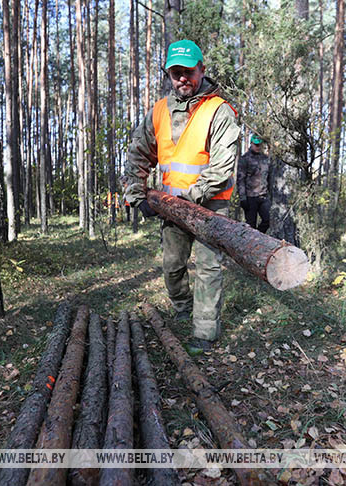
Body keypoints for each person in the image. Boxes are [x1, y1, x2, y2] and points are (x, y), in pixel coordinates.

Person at [122, 39, 240, 355]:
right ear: (170, 74)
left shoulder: (220, 110)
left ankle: (204, 332)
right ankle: (182, 307)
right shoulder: (159, 110)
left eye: (188, 71)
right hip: (171, 209)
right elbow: (138, 155)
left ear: (201, 70)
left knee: (207, 267)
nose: (182, 79)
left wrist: (191, 197)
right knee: (173, 265)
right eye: (176, 73)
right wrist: (137, 195)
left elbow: (222, 167)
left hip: (210, 207)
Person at [237, 134, 273, 234]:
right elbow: (240, 179)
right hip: (250, 197)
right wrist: (242, 198)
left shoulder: (265, 159)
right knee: (250, 226)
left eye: (259, 145)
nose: (257, 147)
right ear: (251, 144)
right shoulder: (245, 159)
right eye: (256, 145)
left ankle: (259, 237)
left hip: (263, 196)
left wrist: (270, 195)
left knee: (267, 220)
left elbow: (268, 178)